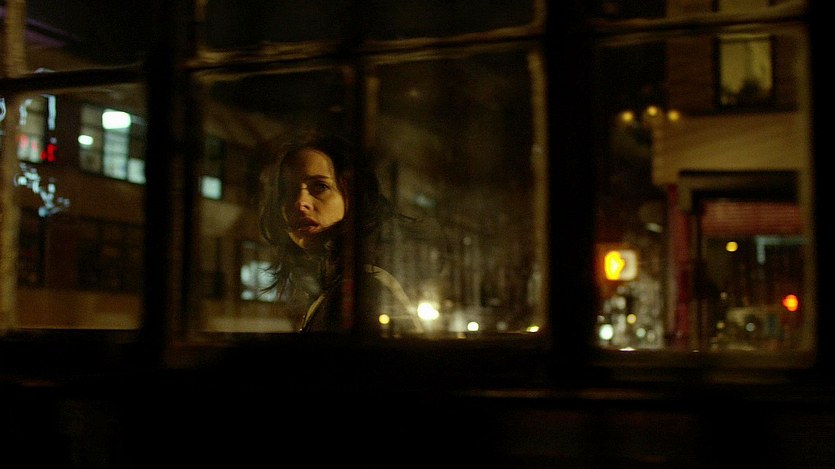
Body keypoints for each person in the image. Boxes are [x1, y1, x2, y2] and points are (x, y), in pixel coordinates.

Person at [258, 132, 432, 334]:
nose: (300, 202)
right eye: (287, 191)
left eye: (320, 186)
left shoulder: (361, 288)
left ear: (352, 196)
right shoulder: (330, 286)